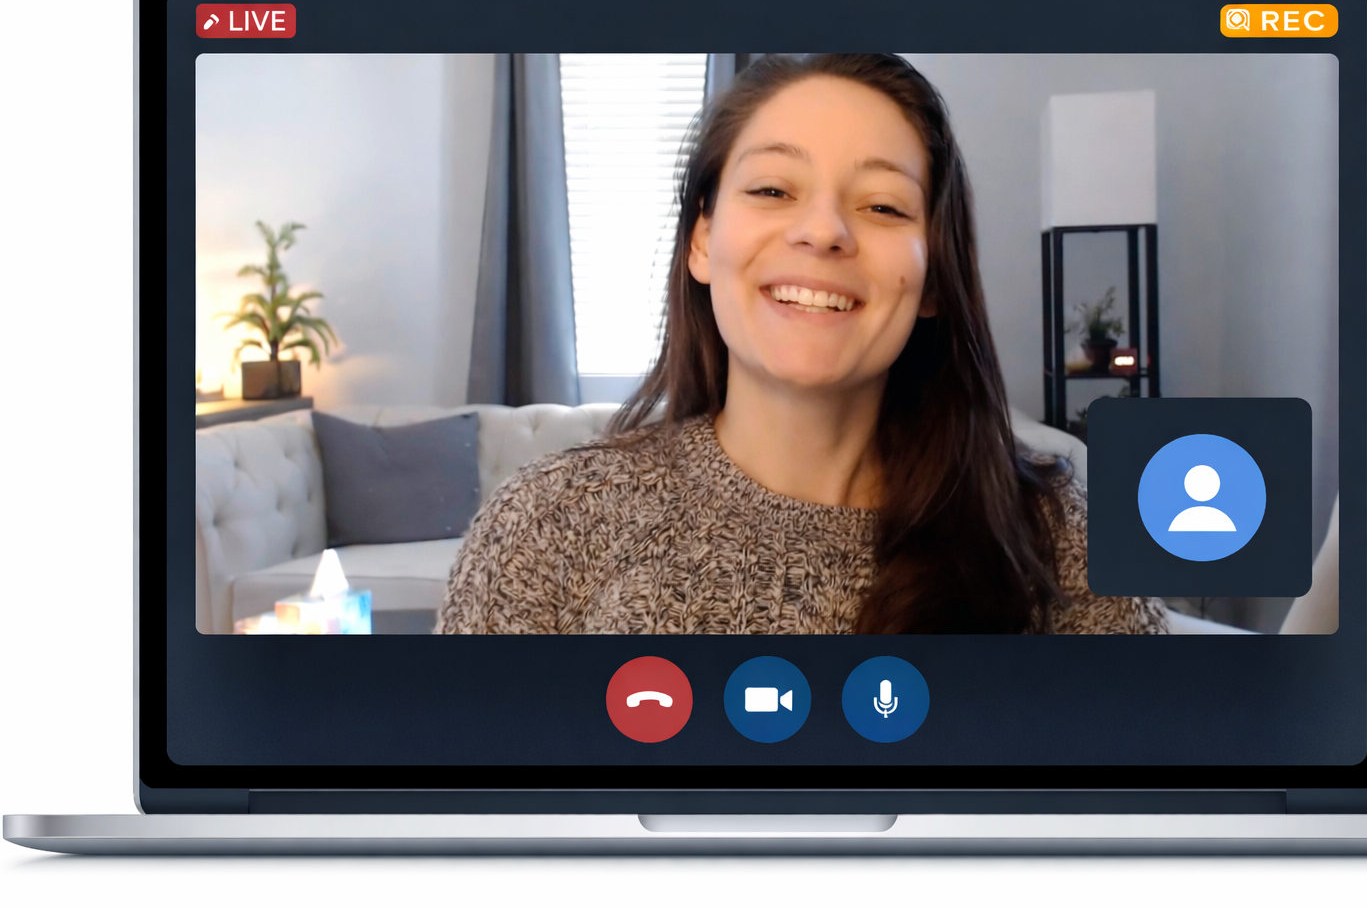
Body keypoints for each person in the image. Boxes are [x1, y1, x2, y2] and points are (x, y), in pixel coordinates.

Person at [437, 53, 1167, 635]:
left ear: (935, 278)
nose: (823, 232)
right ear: (702, 241)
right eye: (772, 190)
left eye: (882, 205)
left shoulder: (1057, 536)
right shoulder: (546, 522)